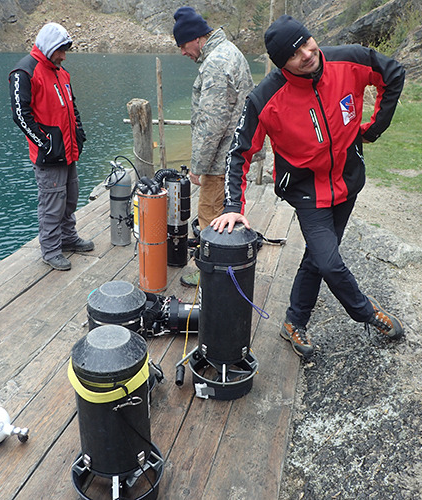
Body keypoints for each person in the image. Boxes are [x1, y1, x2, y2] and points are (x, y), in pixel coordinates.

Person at [210, 15, 406, 359]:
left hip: (348, 181)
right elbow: (239, 152)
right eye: (293, 54)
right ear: (282, 64)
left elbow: (394, 74)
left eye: (306, 41)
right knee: (329, 262)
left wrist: (372, 129)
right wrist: (232, 207)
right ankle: (366, 312)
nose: (306, 53)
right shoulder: (265, 98)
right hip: (307, 190)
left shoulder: (350, 59)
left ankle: (293, 323)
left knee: (319, 257)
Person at [172, 6, 254, 287]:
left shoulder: (216, 63)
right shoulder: (229, 51)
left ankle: (209, 271)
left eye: (183, 45)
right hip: (233, 153)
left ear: (196, 38)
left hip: (220, 160)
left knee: (210, 215)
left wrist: (198, 166)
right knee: (226, 214)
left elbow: (212, 123)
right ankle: (226, 262)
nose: (183, 52)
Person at [9, 22, 94, 272]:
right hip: (50, 155)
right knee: (51, 203)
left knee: (70, 198)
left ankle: (68, 238)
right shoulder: (24, 72)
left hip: (68, 151)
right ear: (49, 47)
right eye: (60, 50)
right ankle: (50, 250)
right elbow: (20, 115)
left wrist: (79, 134)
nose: (63, 56)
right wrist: (45, 144)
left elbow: (71, 106)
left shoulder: (61, 72)